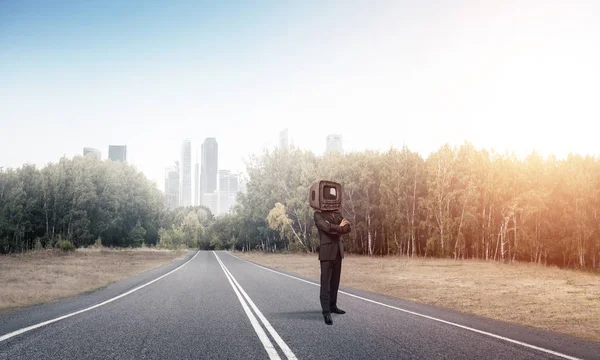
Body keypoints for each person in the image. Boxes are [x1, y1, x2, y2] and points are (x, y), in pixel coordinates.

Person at [314, 209, 351, 325]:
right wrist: (340, 228)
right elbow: (326, 228)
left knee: (335, 283)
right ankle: (326, 312)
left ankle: (333, 306)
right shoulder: (318, 215)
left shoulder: (338, 213)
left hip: (338, 253)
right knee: (325, 284)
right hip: (326, 253)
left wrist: (336, 228)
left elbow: (347, 228)